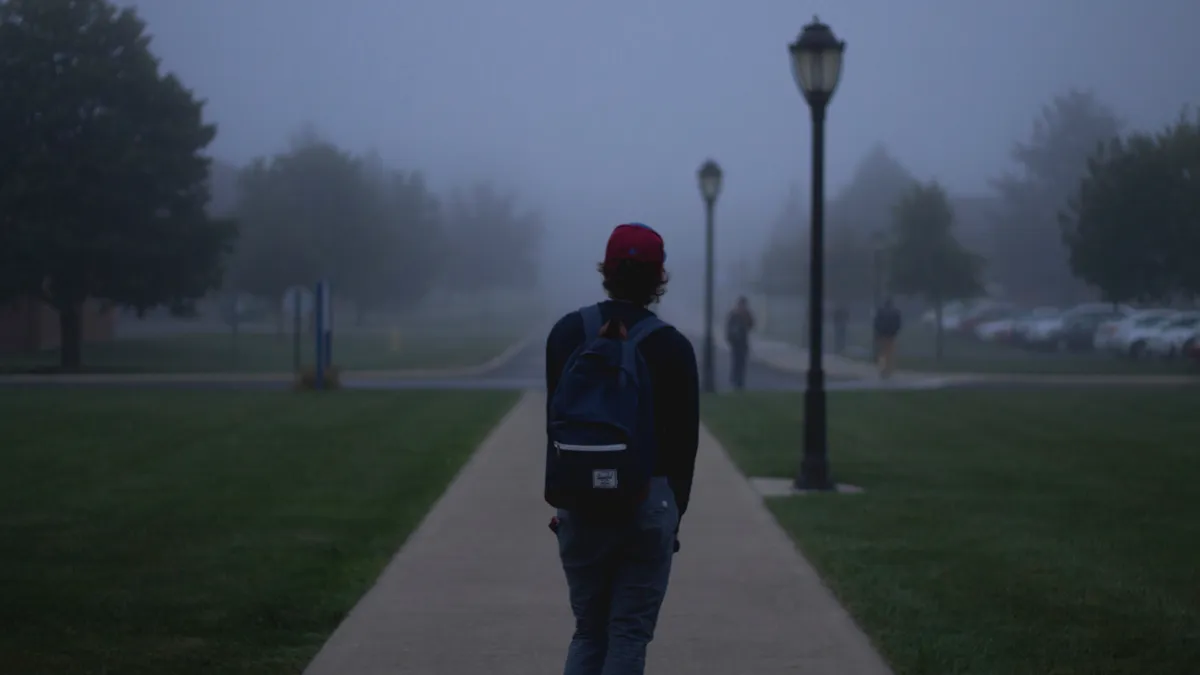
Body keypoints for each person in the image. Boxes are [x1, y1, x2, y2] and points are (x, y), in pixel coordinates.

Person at [544, 222, 700, 675]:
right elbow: (684, 447)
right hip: (647, 502)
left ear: (606, 271)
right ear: (659, 279)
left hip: (579, 500)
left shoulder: (567, 333)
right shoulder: (672, 347)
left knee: (589, 630)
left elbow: (555, 423)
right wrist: (672, 512)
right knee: (628, 635)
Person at [725, 296, 755, 390]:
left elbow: (751, 325)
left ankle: (740, 382)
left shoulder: (746, 314)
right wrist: (730, 339)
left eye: (744, 305)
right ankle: (735, 379)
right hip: (735, 342)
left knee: (742, 362)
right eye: (741, 304)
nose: (742, 307)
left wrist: (746, 318)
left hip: (743, 342)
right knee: (736, 362)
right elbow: (728, 328)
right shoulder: (733, 314)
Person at [873, 297, 902, 378]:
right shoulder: (896, 312)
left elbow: (876, 323)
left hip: (882, 335)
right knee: (890, 353)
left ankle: (882, 370)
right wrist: (895, 332)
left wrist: (877, 333)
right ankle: (889, 370)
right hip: (891, 336)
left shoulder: (880, 312)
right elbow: (898, 324)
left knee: (882, 353)